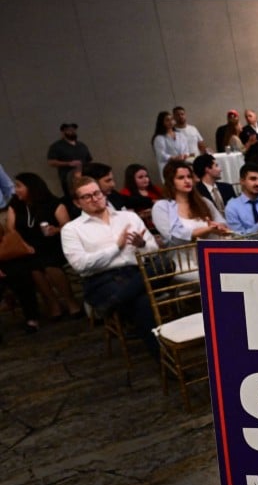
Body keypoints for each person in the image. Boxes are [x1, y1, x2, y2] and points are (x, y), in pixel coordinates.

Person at [60, 176, 159, 358]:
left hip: (135, 273)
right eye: (87, 196)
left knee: (165, 264)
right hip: (102, 280)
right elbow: (81, 265)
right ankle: (166, 361)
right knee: (143, 302)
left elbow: (153, 251)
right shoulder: (72, 229)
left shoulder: (128, 217)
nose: (95, 198)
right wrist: (116, 248)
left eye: (97, 193)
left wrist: (142, 244)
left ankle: (115, 303)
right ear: (77, 202)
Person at [8, 172, 83, 320]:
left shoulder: (54, 204)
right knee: (34, 266)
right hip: (28, 247)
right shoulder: (15, 205)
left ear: (31, 187)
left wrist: (55, 230)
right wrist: (23, 245)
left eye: (19, 186)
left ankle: (70, 301)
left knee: (48, 263)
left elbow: (67, 226)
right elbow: (11, 229)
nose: (16, 190)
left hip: (52, 244)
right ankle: (52, 303)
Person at [152, 159, 229, 246]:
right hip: (182, 257)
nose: (187, 181)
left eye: (189, 177)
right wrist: (207, 229)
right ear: (170, 182)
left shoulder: (204, 201)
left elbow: (222, 224)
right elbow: (176, 238)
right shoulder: (162, 206)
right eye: (181, 178)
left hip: (211, 253)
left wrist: (218, 226)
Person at [47, 122, 92, 198]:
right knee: (73, 197)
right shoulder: (56, 146)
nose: (72, 131)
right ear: (63, 132)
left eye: (73, 130)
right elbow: (51, 162)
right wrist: (68, 163)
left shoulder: (81, 145)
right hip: (68, 179)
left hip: (85, 177)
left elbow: (89, 160)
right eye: (69, 130)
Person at [152, 110, 190, 177]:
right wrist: (174, 158)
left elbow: (186, 150)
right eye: (167, 120)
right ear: (162, 122)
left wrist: (184, 155)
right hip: (168, 167)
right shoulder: (159, 138)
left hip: (182, 164)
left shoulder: (180, 135)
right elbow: (161, 155)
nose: (170, 122)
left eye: (171, 119)